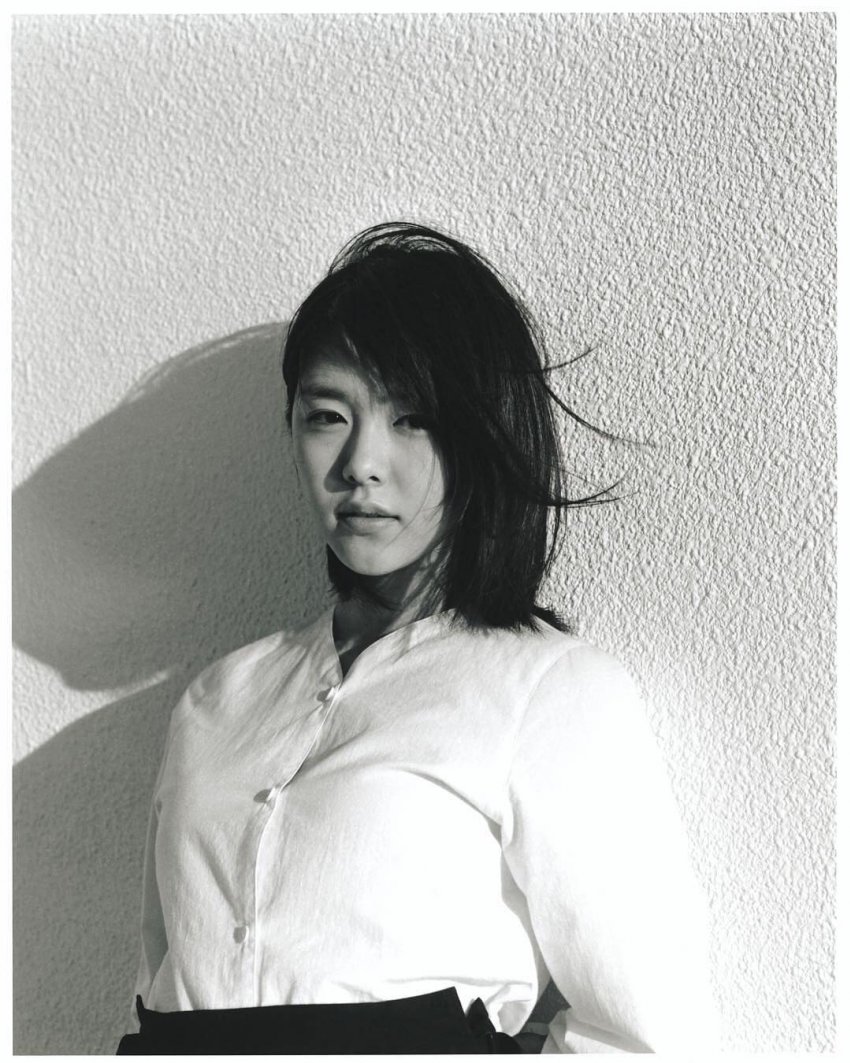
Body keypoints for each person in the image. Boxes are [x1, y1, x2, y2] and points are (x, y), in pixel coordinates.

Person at [119, 223, 716, 1054]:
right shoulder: (217, 700)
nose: (361, 462)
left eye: (413, 418)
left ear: (483, 434)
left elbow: (650, 1035)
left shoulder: (551, 692)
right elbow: (159, 986)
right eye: (328, 415)